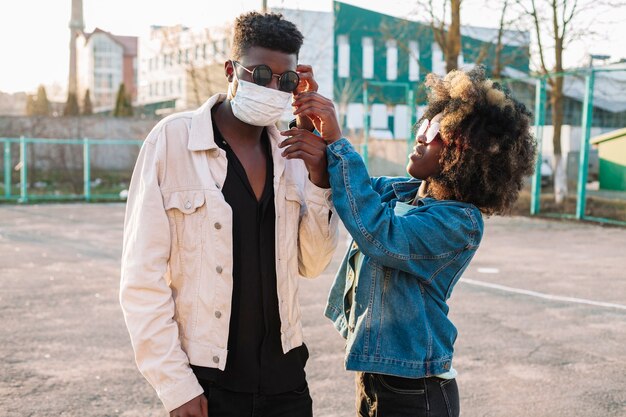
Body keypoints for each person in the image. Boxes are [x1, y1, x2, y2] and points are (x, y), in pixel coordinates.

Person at [279, 66, 536, 417]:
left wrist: (337, 140)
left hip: (417, 392)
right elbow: (353, 189)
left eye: (434, 131)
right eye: (424, 125)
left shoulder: (459, 222)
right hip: (378, 378)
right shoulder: (402, 193)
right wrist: (308, 119)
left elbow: (378, 233)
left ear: (465, 151)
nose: (421, 136)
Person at [120, 11, 339, 417]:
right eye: (259, 73)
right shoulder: (173, 141)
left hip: (286, 380)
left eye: (285, 80)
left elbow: (313, 264)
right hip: (208, 383)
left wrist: (320, 177)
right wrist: (175, 384)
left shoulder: (293, 153)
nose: (272, 86)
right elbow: (141, 279)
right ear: (230, 71)